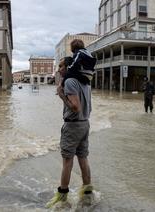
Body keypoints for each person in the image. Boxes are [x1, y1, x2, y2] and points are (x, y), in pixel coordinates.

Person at [46, 57, 93, 208]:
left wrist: (61, 95)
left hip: (73, 126)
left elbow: (75, 107)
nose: (59, 69)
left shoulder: (70, 81)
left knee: (67, 162)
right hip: (85, 124)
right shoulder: (85, 81)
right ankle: (87, 194)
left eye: (61, 66)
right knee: (83, 158)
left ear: (68, 67)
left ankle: (62, 198)